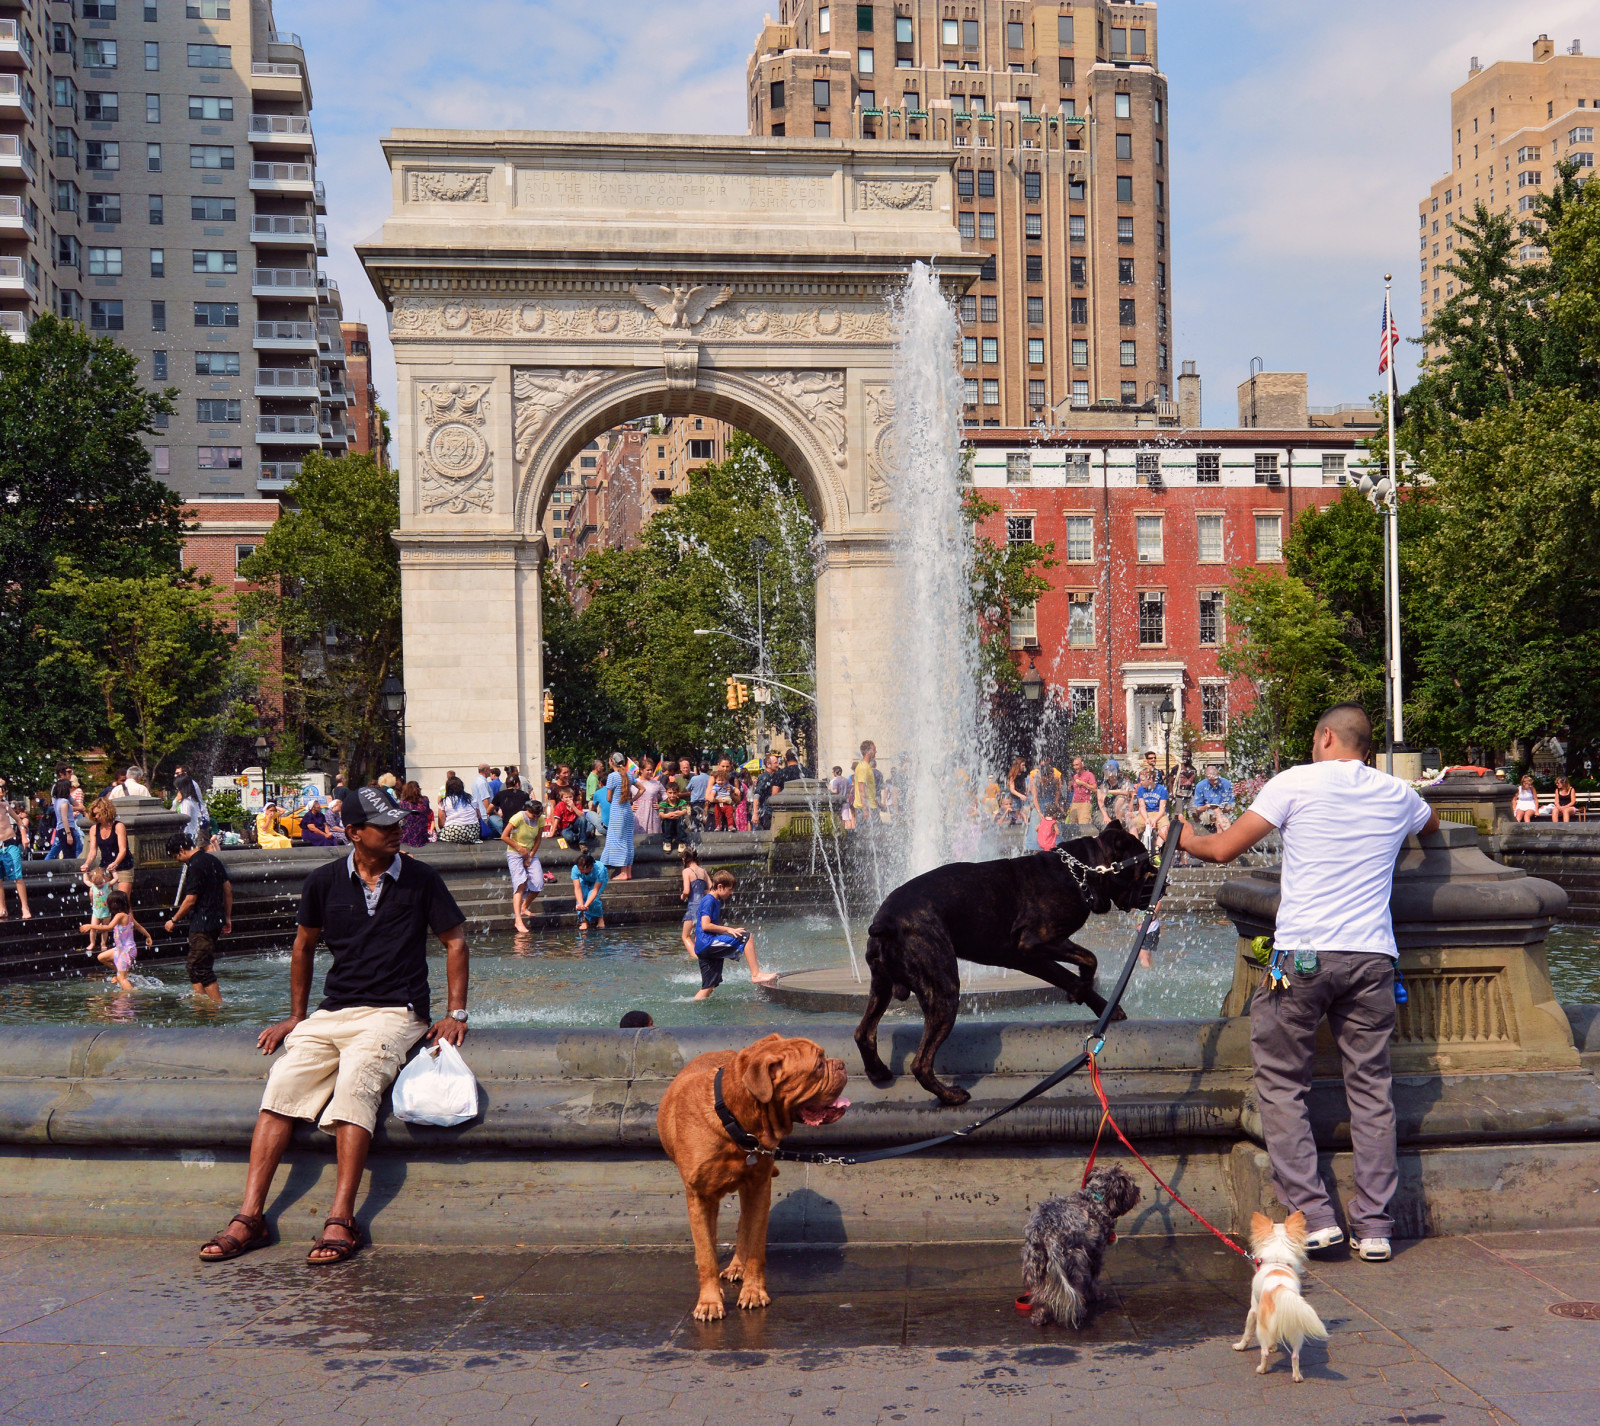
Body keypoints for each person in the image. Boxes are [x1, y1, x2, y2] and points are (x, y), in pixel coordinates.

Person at [1179, 702, 1438, 1264]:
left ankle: (1316, 1218)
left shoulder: (1294, 782)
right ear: (1367, 748)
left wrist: (1182, 837)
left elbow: (1222, 848)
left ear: (1325, 737)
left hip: (1301, 958)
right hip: (1373, 958)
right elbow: (1433, 825)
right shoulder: (1397, 794)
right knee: (1371, 1090)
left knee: (1280, 1082)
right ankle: (1374, 1227)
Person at [197, 786, 470, 1265]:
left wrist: (455, 1013)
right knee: (281, 1082)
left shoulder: (422, 879)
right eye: (383, 826)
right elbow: (303, 948)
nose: (395, 831)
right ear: (354, 833)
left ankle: (342, 1216)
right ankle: (250, 1216)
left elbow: (455, 942)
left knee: (357, 1080)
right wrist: (297, 1017)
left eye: (396, 824)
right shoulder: (323, 881)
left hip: (397, 1011)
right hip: (333, 1011)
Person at [164, 831, 232, 1004]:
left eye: (175, 856)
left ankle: (218, 1005)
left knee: (199, 967)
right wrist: (227, 916)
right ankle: (200, 1002)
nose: (177, 860)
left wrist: (174, 920)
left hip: (202, 922)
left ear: (181, 849)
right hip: (215, 919)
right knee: (197, 965)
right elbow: (228, 889)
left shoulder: (195, 865)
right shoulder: (213, 859)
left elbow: (190, 899)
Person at [691, 869, 778, 1000]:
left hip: (703, 945)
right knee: (746, 936)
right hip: (707, 944)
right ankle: (756, 974)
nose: (731, 893)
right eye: (729, 889)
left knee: (710, 985)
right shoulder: (709, 900)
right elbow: (705, 925)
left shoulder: (715, 900)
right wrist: (728, 930)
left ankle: (693, 1005)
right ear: (720, 886)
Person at [89, 889, 153, 993]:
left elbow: (109, 927)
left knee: (122, 979)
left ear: (114, 904)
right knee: (101, 957)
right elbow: (138, 926)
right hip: (122, 949)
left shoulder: (120, 916)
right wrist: (148, 936)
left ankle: (133, 995)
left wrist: (90, 926)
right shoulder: (128, 916)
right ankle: (120, 973)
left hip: (125, 952)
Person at [500, 798, 545, 934]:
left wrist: (530, 856)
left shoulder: (540, 819)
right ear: (527, 811)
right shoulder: (518, 817)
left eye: (538, 816)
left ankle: (524, 907)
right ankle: (518, 920)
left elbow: (538, 839)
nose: (535, 818)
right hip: (515, 853)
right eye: (533, 815)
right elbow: (504, 836)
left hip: (530, 852)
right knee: (520, 883)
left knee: (538, 882)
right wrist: (520, 849)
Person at [600, 752, 639, 880]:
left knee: (618, 840)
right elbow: (642, 789)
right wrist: (631, 801)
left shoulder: (612, 776)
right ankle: (628, 871)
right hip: (628, 809)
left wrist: (617, 800)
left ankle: (622, 872)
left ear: (612, 762)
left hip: (617, 810)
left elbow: (608, 797)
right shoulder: (629, 775)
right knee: (628, 840)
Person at [82, 797, 133, 892]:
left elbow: (123, 850)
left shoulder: (118, 826)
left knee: (123, 899)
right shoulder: (94, 829)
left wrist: (116, 863)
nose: (96, 817)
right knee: (98, 895)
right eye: (94, 814)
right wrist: (87, 864)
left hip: (124, 866)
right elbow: (92, 851)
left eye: (98, 814)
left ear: (106, 812)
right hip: (105, 867)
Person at [0, 784, 31, 921]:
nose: (3, 792)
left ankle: (25, 907)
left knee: (17, 876)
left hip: (9, 843)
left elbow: (19, 821)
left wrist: (24, 836)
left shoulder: (5, 805)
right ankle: (2, 907)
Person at [679, 847, 709, 960]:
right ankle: (702, 955)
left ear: (685, 858)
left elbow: (686, 891)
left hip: (693, 906)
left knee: (685, 936)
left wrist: (682, 896)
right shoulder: (703, 871)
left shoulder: (686, 871)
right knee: (698, 935)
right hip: (704, 905)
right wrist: (701, 891)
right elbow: (711, 889)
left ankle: (696, 957)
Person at [46, 765, 80, 860]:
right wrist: (68, 834)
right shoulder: (64, 802)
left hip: (61, 828)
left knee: (66, 851)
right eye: (69, 771)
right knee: (71, 852)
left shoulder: (58, 801)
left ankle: (46, 864)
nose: (71, 773)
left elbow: (75, 804)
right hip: (66, 828)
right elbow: (64, 817)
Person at [572, 848, 608, 931]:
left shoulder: (600, 869)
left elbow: (595, 891)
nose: (580, 871)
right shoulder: (575, 869)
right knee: (582, 897)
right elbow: (577, 889)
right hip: (584, 879)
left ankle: (600, 917)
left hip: (598, 881)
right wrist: (581, 905)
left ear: (590, 867)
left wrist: (586, 905)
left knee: (593, 899)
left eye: (582, 869)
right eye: (579, 869)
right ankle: (584, 920)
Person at [437, 777, 481, 844]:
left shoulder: (445, 801)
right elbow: (478, 816)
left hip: (453, 831)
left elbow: (441, 823)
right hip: (473, 832)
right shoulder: (471, 799)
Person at [1192, 765, 1236, 832]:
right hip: (1207, 813)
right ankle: (1227, 835)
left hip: (1223, 812)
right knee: (1217, 813)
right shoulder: (1200, 786)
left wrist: (1228, 807)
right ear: (1206, 777)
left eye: (1216, 779)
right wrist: (1207, 806)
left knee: (1219, 814)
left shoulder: (1227, 784)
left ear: (1218, 774)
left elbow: (1232, 803)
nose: (1214, 782)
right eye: (1211, 780)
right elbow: (1197, 809)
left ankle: (1221, 836)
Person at [635, 757, 665, 851]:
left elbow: (666, 796)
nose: (650, 772)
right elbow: (623, 797)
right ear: (641, 770)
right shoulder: (633, 782)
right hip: (637, 816)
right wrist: (629, 805)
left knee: (654, 843)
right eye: (648, 770)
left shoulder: (657, 783)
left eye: (651, 769)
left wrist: (661, 805)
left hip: (653, 816)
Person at [1132, 770, 1170, 843]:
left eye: (1142, 780)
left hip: (1159, 814)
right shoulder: (1140, 789)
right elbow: (1142, 807)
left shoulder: (1162, 789)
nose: (1140, 782)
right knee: (1132, 825)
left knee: (1165, 827)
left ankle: (1157, 848)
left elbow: (1162, 809)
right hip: (1146, 813)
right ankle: (1137, 847)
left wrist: (1155, 820)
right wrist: (1146, 819)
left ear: (1150, 779)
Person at [81, 867, 112, 953]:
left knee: (104, 929)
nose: (99, 885)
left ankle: (103, 943)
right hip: (96, 912)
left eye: (101, 883)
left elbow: (116, 879)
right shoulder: (93, 886)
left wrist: (114, 871)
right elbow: (86, 881)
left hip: (106, 912)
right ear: (93, 882)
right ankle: (92, 943)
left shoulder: (107, 885)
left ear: (104, 879)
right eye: (97, 884)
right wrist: (84, 873)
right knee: (93, 929)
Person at [396, 781, 432, 847]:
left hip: (407, 836)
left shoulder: (403, 804)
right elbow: (428, 812)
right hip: (422, 836)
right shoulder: (425, 800)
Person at [852, 741, 879, 827]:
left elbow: (868, 789)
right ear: (867, 751)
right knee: (866, 836)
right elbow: (861, 788)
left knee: (876, 834)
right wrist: (865, 809)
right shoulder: (863, 767)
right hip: (865, 807)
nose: (876, 752)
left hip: (870, 806)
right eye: (874, 749)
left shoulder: (866, 766)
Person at [755, 753, 785, 831]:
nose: (778, 765)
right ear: (768, 764)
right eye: (775, 763)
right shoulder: (764, 777)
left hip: (770, 812)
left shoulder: (774, 776)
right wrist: (755, 814)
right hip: (765, 813)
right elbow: (757, 795)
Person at [660, 782, 690, 851]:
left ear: (678, 793)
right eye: (670, 793)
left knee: (681, 818)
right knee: (668, 817)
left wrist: (680, 813)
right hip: (668, 826)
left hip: (679, 825)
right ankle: (667, 841)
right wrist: (667, 815)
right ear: (666, 792)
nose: (672, 795)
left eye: (674, 793)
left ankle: (682, 842)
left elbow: (685, 811)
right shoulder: (663, 803)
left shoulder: (682, 802)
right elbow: (661, 814)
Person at [471, 764, 499, 838]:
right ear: (486, 770)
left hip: (481, 813)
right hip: (485, 815)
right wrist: (491, 812)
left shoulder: (476, 781)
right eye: (489, 770)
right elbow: (485, 799)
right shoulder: (482, 782)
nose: (490, 772)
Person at [688, 760, 711, 838]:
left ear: (698, 768)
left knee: (695, 821)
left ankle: (696, 838)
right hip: (707, 803)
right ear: (708, 769)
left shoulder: (694, 778)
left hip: (695, 803)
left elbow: (688, 789)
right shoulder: (711, 779)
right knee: (706, 820)